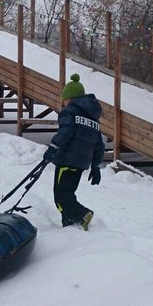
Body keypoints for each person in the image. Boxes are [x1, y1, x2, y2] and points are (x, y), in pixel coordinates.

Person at [43, 73, 105, 230]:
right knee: (68, 194)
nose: (63, 103)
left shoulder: (69, 112)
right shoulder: (93, 119)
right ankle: (70, 227)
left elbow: (66, 131)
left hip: (66, 161)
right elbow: (99, 145)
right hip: (80, 164)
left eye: (64, 99)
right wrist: (96, 166)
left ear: (69, 98)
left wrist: (53, 147)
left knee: (61, 198)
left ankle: (83, 214)